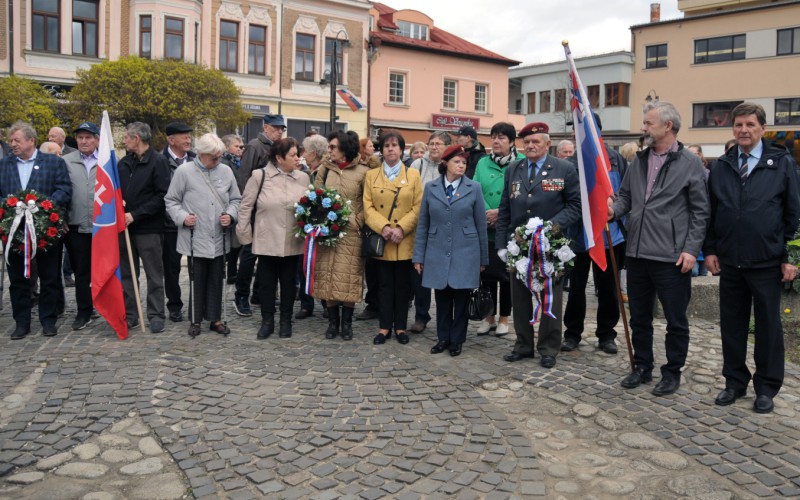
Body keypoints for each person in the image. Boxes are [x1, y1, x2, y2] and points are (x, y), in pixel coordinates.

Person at [609, 101, 710, 396]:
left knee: (675, 320)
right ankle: (642, 366)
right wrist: (613, 211)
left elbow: (700, 212)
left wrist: (691, 249)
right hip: (637, 253)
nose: (643, 127)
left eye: (649, 122)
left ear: (668, 126)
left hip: (671, 257)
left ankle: (672, 371)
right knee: (639, 316)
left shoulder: (690, 163)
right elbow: (625, 197)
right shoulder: (638, 161)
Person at [705, 102, 800, 414]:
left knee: (768, 327)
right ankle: (734, 382)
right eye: (738, 125)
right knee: (731, 325)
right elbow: (712, 213)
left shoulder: (781, 162)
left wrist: (789, 255)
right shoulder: (722, 165)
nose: (743, 130)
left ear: (762, 128)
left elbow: (793, 213)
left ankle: (766, 387)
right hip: (730, 261)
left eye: (750, 125)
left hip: (767, 261)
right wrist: (711, 249)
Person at [495, 122, 581, 368]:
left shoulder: (564, 168)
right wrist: (502, 244)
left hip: (550, 246)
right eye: (527, 142)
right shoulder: (514, 169)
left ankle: (548, 347)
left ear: (547, 143)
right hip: (519, 246)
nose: (531, 146)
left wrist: (550, 228)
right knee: (520, 298)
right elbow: (505, 208)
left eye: (536, 142)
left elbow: (575, 206)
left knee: (549, 299)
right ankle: (523, 345)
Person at [414, 145, 488, 356]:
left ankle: (457, 340)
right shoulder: (431, 187)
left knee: (461, 300)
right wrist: (419, 256)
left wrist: (483, 259)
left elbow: (480, 224)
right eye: (457, 161)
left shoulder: (474, 188)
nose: (462, 165)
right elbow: (423, 224)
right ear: (445, 163)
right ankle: (443, 338)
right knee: (442, 299)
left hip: (466, 252)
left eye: (464, 162)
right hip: (437, 252)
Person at [562, 114, 627, 355]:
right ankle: (572, 333)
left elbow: (625, 195)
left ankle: (607, 334)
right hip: (578, 236)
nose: (575, 134)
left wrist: (614, 210)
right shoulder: (570, 163)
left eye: (580, 129)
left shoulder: (615, 159)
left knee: (608, 288)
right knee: (576, 288)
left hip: (610, 235)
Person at [1, 121, 72, 339]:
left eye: (17, 140)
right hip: (14, 231)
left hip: (44, 230)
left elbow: (65, 189)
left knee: (50, 276)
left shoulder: (52, 163)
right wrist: (9, 205)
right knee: (18, 279)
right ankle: (21, 322)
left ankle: (48, 320)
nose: (13, 144)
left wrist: (43, 205)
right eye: (11, 140)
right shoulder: (4, 165)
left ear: (31, 141)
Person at [165, 133, 240, 337]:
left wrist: (231, 216)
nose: (217, 161)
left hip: (219, 235)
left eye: (219, 157)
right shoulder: (184, 171)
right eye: (213, 157)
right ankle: (196, 320)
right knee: (197, 279)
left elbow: (236, 200)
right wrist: (182, 217)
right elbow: (171, 200)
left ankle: (215, 319)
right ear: (201, 154)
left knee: (217, 278)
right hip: (194, 236)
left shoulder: (225, 171)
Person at [236, 138, 309, 339]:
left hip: (292, 240)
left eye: (297, 154)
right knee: (267, 284)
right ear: (279, 157)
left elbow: (308, 208)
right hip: (266, 240)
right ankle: (267, 320)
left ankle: (286, 320)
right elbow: (245, 207)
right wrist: (245, 236)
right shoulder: (259, 176)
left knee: (288, 284)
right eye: (293, 155)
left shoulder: (303, 178)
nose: (297, 158)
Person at [364, 131, 423, 345]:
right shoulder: (372, 176)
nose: (390, 149)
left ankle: (400, 327)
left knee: (404, 287)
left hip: (404, 239)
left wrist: (400, 228)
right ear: (382, 150)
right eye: (387, 145)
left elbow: (418, 206)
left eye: (395, 145)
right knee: (383, 286)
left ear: (401, 149)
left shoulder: (413, 175)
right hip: (383, 239)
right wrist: (384, 227)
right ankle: (384, 327)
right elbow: (368, 206)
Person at [313, 130, 370, 340]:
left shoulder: (363, 172)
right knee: (327, 277)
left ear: (345, 148)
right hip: (328, 233)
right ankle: (332, 322)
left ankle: (347, 323)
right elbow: (315, 195)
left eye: (333, 147)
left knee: (348, 279)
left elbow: (368, 203)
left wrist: (356, 220)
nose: (330, 150)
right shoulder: (325, 170)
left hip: (351, 234)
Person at [118, 122, 171, 333]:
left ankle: (156, 314)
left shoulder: (158, 161)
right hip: (125, 228)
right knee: (127, 274)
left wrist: (136, 214)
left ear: (137, 138)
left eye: (126, 137)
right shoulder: (123, 163)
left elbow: (162, 196)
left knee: (154, 274)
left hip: (148, 228)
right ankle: (131, 314)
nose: (123, 141)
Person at [473, 122, 524, 337]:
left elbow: (522, 196)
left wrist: (499, 214)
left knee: (507, 275)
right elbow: (475, 190)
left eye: (502, 137)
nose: (496, 141)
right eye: (494, 136)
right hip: (486, 228)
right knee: (487, 274)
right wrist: (486, 212)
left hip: (509, 227)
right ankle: (488, 316)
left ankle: (504, 318)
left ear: (512, 142)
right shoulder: (482, 163)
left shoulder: (521, 163)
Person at [234, 114, 286, 317]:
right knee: (249, 255)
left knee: (265, 255)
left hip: (271, 211)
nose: (280, 131)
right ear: (266, 127)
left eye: (282, 128)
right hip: (256, 210)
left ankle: (258, 293)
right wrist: (247, 209)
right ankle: (241, 295)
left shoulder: (278, 147)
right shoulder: (255, 146)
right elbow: (244, 178)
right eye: (276, 128)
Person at [408, 130, 452, 333]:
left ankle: (447, 317)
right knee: (420, 274)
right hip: (421, 226)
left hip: (444, 228)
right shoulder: (418, 165)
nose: (434, 147)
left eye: (439, 144)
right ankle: (421, 315)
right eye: (431, 143)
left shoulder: (451, 166)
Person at [62, 122, 100, 331]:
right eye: (80, 137)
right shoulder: (66, 162)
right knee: (81, 271)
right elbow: (60, 190)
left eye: (88, 137)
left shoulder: (106, 162)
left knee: (105, 269)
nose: (84, 141)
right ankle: (84, 311)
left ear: (96, 140)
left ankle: (109, 306)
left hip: (102, 226)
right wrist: (62, 218)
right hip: (76, 225)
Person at [161, 121, 196, 322]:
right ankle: (174, 305)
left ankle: (196, 304)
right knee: (171, 267)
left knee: (195, 267)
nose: (188, 139)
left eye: (189, 136)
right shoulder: (160, 160)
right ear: (171, 139)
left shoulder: (195, 160)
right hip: (170, 224)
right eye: (183, 136)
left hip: (194, 222)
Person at [295, 133, 330, 320]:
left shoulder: (325, 171)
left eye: (305, 151)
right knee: (305, 264)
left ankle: (326, 303)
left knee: (320, 264)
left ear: (314, 153)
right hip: (306, 224)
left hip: (321, 224)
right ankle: (306, 303)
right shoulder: (304, 172)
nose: (303, 154)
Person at [356, 136, 382, 321]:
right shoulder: (357, 167)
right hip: (363, 220)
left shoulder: (375, 168)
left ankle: (382, 302)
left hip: (378, 219)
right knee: (371, 265)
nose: (372, 148)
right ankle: (372, 302)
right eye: (369, 145)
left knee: (378, 263)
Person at [221, 134, 245, 284]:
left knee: (236, 243)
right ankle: (228, 271)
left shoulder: (238, 162)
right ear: (226, 147)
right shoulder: (225, 162)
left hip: (237, 205)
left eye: (242, 146)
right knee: (230, 243)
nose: (240, 149)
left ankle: (231, 271)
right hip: (228, 207)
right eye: (237, 146)